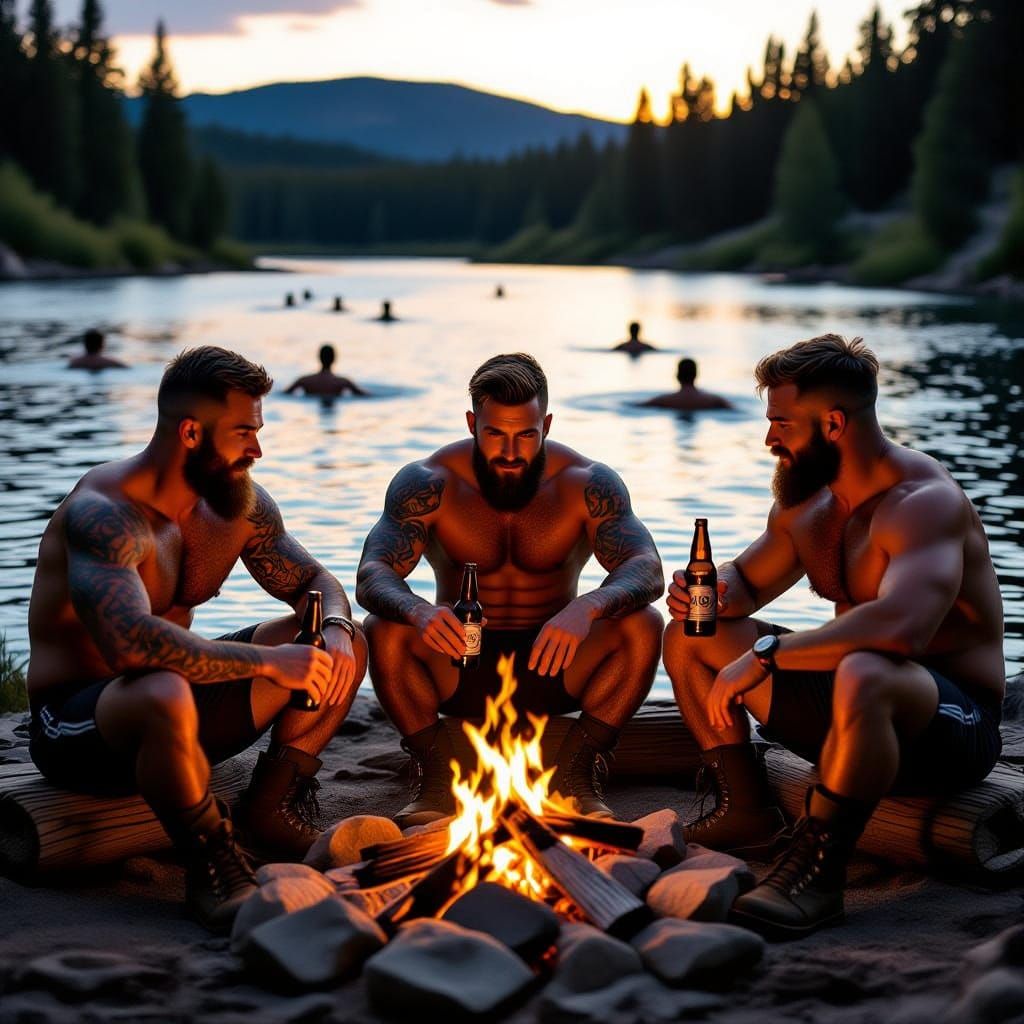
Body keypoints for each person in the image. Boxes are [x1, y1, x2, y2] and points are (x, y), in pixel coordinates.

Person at [663, 334, 1005, 939]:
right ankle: (744, 809)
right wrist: (710, 592)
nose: (770, 439)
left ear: (834, 424)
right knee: (692, 635)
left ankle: (818, 876)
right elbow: (748, 579)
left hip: (950, 725)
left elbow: (900, 627)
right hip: (852, 707)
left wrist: (767, 655)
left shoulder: (922, 503)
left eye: (782, 424)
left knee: (866, 669)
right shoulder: (807, 499)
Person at [26, 346, 367, 932]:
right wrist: (267, 664)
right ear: (190, 432)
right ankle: (213, 865)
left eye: (257, 431)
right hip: (80, 727)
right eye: (243, 433)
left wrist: (332, 628)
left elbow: (316, 582)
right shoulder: (105, 515)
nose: (257, 449)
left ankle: (270, 805)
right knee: (160, 688)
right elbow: (131, 647)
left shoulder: (237, 505)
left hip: (180, 708)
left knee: (345, 638)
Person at [356, 353, 664, 826]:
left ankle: (579, 773)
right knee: (382, 628)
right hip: (460, 662)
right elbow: (373, 572)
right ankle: (435, 776)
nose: (510, 452)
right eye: (494, 434)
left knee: (644, 624)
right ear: (471, 422)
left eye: (526, 435)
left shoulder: (586, 483)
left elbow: (645, 566)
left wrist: (589, 606)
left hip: (555, 662)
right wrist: (418, 612)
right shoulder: (428, 482)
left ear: (547, 423)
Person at [638, 358, 733, 411]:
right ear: (696, 375)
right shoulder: (714, 401)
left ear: (677, 376)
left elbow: (639, 407)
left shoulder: (662, 401)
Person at [285, 345, 368, 399]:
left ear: (319, 358)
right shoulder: (343, 382)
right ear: (334, 359)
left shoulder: (304, 380)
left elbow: (285, 394)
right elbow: (364, 396)